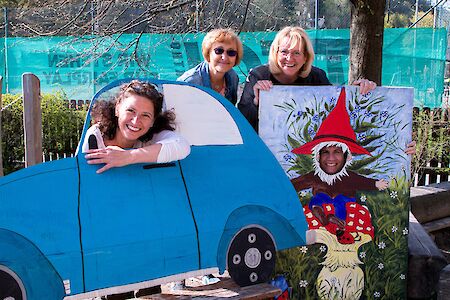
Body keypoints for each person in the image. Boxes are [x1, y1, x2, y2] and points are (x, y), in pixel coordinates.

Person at [289, 88, 415, 244]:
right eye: (325, 152)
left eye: (337, 152)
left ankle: (339, 230)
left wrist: (376, 184)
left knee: (343, 205)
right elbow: (296, 184)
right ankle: (322, 217)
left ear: (346, 156)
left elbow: (362, 181)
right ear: (317, 156)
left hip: (344, 201)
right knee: (316, 202)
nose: (331, 158)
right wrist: (281, 187)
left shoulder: (349, 177)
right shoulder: (314, 176)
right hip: (322, 201)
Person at [238, 26, 376, 132]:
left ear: (305, 57)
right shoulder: (258, 76)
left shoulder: (317, 77)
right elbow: (242, 123)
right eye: (284, 52)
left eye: (296, 53)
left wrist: (357, 91)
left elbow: (335, 108)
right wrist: (255, 102)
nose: (289, 58)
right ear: (275, 53)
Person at [82, 80, 191, 173]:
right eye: (130, 111)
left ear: (153, 121)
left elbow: (182, 146)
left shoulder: (153, 134)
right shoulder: (96, 136)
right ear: (117, 109)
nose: (135, 121)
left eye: (145, 115)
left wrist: (127, 156)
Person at [177, 28, 243, 105]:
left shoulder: (233, 77)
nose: (224, 57)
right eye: (219, 51)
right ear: (208, 53)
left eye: (231, 52)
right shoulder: (189, 83)